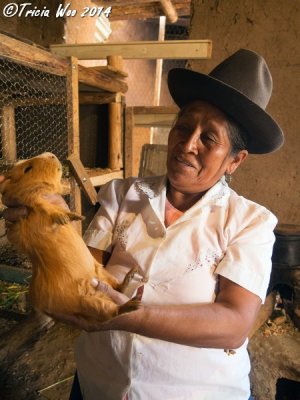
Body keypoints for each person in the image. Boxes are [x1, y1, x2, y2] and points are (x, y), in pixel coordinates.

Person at [2, 49, 284, 400]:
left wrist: (126, 317)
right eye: (184, 126)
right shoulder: (122, 194)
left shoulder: (249, 222)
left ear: (235, 161)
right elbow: (80, 274)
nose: (188, 144)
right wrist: (47, 225)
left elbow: (233, 325)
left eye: (209, 138)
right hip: (98, 386)